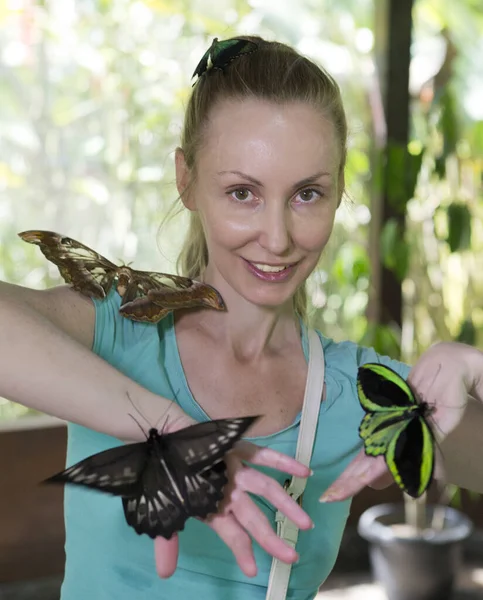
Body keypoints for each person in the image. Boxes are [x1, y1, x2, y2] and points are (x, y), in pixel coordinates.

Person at [1, 34, 483, 600]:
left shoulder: (358, 391)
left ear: (339, 191)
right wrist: (175, 435)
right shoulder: (121, 331)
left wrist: (472, 373)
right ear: (187, 181)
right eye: (242, 193)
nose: (276, 239)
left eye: (307, 194)